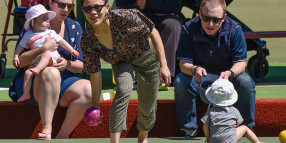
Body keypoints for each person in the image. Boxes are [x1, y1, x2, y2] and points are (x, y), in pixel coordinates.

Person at [80, 0, 171, 142]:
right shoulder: (87, 39)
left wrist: (164, 65)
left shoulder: (126, 17)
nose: (93, 12)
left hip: (146, 58)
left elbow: (154, 32)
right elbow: (95, 73)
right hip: (121, 61)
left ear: (107, 7)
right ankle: (114, 141)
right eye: (88, 9)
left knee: (148, 106)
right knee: (123, 89)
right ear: (83, 11)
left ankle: (142, 137)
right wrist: (95, 103)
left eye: (97, 7)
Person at [9, 0, 92, 140]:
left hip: (64, 81)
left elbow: (82, 65)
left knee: (89, 89)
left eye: (70, 6)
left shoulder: (75, 26)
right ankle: (47, 128)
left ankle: (62, 135)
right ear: (50, 3)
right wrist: (43, 49)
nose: (66, 9)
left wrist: (67, 64)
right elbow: (19, 63)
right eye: (61, 5)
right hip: (34, 82)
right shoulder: (33, 24)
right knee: (51, 72)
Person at [174, 0, 256, 137]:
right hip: (199, 79)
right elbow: (184, 64)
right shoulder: (188, 28)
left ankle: (245, 128)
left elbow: (241, 64)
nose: (210, 24)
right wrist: (194, 70)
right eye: (206, 18)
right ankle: (188, 129)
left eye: (216, 20)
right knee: (180, 80)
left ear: (224, 17)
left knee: (246, 81)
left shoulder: (235, 29)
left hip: (228, 79)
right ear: (200, 14)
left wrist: (230, 73)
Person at [13, 4, 80, 102]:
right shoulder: (28, 34)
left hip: (51, 56)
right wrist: (16, 56)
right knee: (27, 73)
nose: (48, 21)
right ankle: (26, 93)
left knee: (45, 55)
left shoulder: (50, 32)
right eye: (44, 19)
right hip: (37, 58)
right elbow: (20, 46)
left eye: (47, 19)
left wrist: (71, 50)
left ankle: (38, 69)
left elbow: (62, 41)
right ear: (34, 21)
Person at [115, 0, 184, 81]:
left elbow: (176, 5)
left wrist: (148, 4)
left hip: (164, 16)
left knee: (173, 25)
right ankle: (133, 74)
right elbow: (122, 4)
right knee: (126, 23)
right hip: (137, 15)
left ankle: (165, 76)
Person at [201, 79, 261, 143]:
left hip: (214, 141)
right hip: (231, 141)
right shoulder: (234, 111)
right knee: (244, 127)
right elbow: (237, 125)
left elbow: (205, 126)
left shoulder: (210, 112)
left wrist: (208, 138)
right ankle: (257, 142)